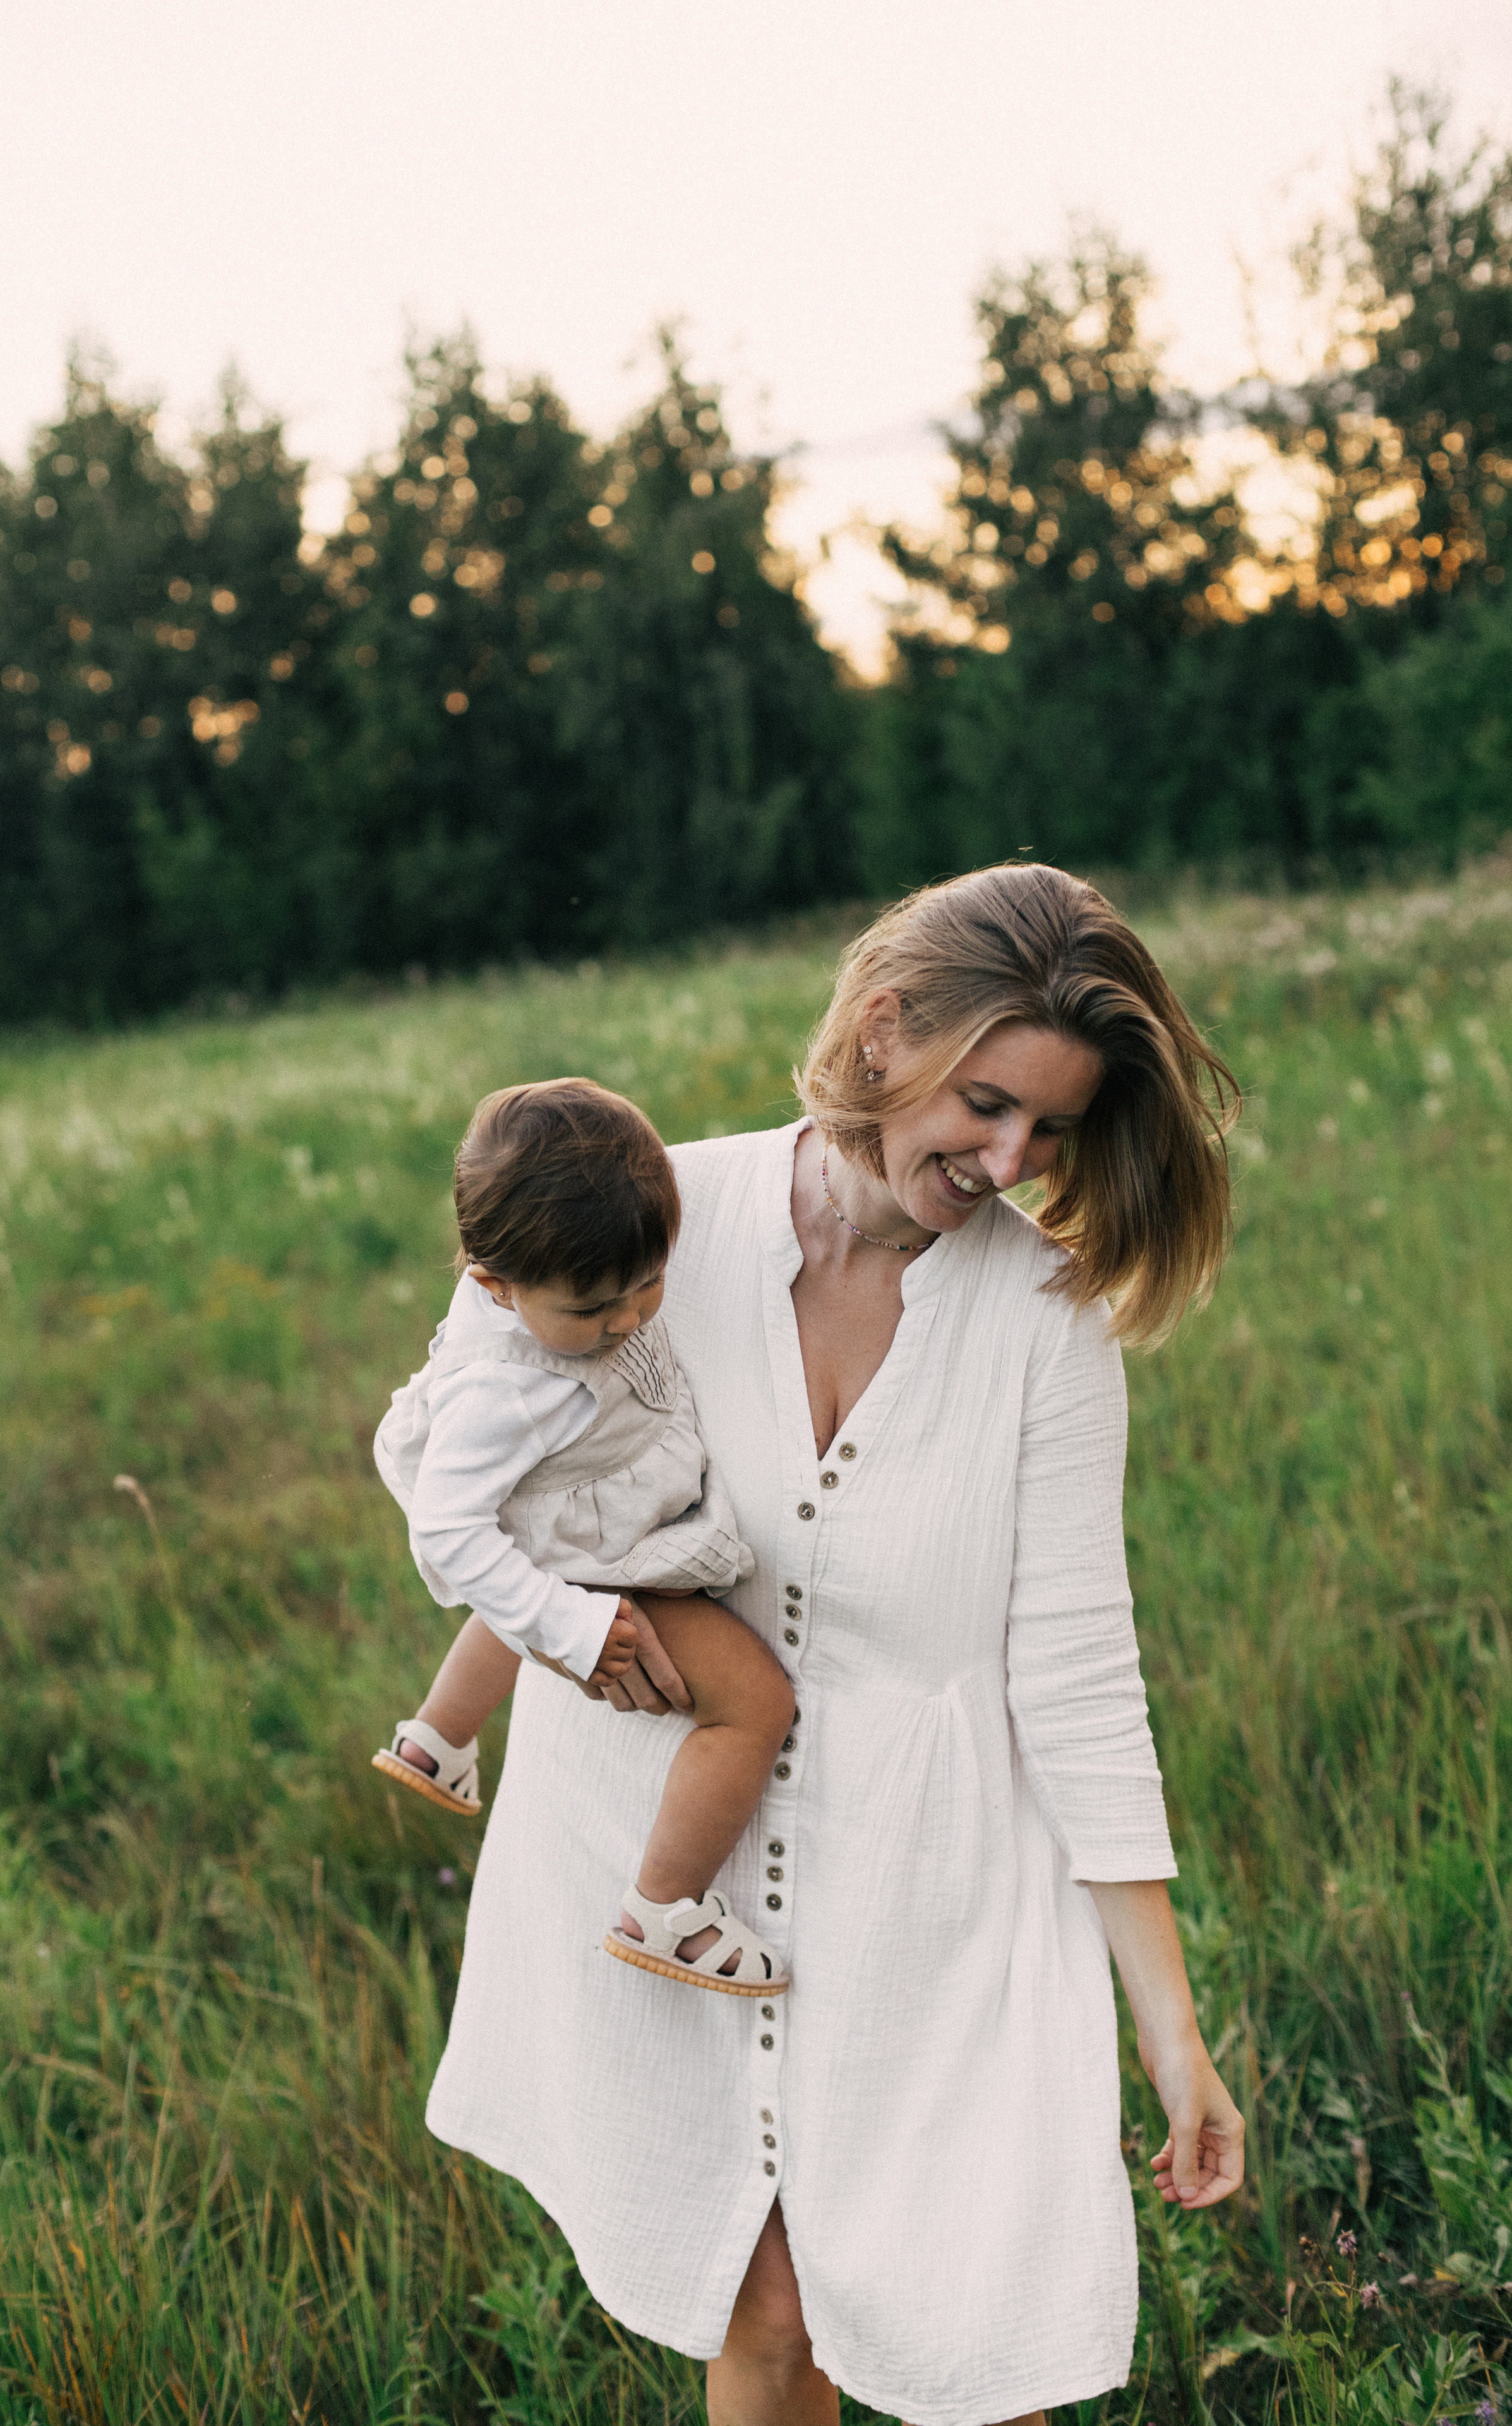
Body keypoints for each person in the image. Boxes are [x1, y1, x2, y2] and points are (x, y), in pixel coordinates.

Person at [424, 864, 1247, 2426]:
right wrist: (550, 1635)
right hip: (667, 1858)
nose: (1007, 1162)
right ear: (882, 1031)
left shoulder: (1046, 1325)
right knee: (765, 2312)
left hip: (930, 1903)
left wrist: (1170, 2032)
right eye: (985, 1104)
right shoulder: (655, 1221)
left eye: (1049, 1129)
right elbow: (461, 1452)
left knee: (976, 2349)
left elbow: (1077, 1681)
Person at [373, 1078, 795, 1991]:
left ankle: (439, 1735)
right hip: (606, 1552)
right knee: (756, 1701)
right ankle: (666, 1909)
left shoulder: (542, 1273)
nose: (628, 1320)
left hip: (572, 1521)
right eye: (592, 1309)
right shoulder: (504, 1389)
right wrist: (574, 1626)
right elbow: (448, 1531)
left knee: (530, 1565)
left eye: (648, 1285)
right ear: (493, 1283)